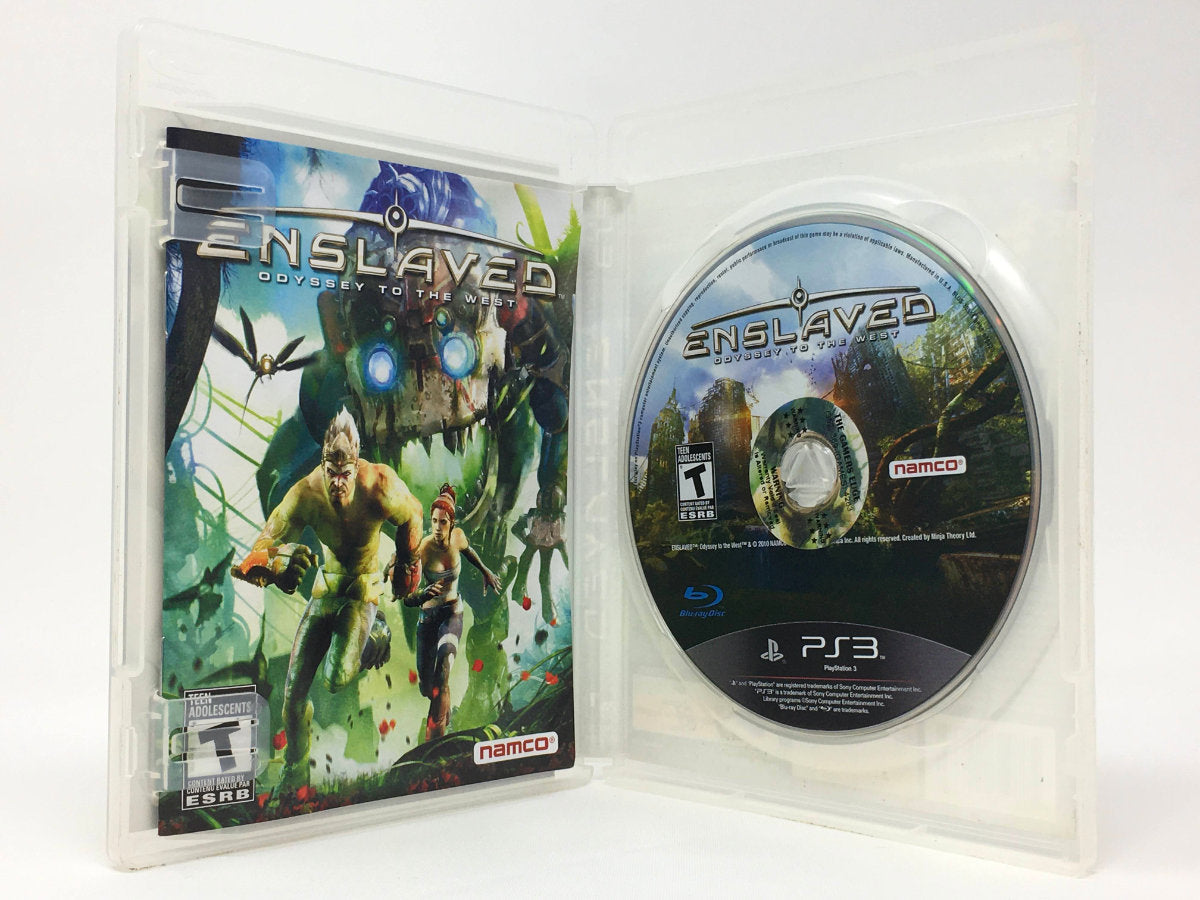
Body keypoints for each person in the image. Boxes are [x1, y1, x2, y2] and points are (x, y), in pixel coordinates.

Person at [232, 407, 422, 792]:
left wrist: (407, 563)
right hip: (324, 592)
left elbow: (413, 514)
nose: (337, 483)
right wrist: (276, 562)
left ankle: (376, 634)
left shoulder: (380, 485)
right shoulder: (306, 492)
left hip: (361, 592)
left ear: (357, 464)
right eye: (331, 472)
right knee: (292, 698)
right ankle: (295, 770)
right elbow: (255, 554)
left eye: (344, 473)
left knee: (335, 679)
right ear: (322, 463)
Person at [402, 484, 501, 741]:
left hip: (452, 614)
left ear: (452, 523)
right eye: (434, 521)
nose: (437, 527)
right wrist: (423, 595)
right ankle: (444, 714)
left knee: (443, 672)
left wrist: (486, 572)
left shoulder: (457, 538)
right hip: (427, 619)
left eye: (443, 522)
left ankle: (434, 740)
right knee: (427, 687)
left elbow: (469, 552)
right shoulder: (422, 549)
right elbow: (406, 599)